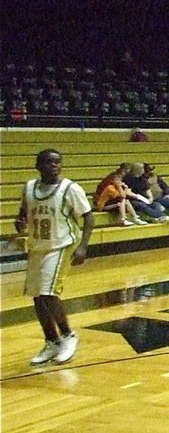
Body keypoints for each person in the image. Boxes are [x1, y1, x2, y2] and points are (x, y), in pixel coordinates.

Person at [15, 149, 94, 365]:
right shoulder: (29, 188)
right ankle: (52, 341)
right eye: (49, 163)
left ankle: (68, 336)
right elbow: (24, 212)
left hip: (61, 245)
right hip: (37, 246)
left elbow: (88, 218)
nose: (55, 166)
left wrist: (83, 247)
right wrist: (20, 221)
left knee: (49, 293)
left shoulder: (70, 188)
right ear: (38, 165)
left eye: (58, 162)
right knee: (37, 297)